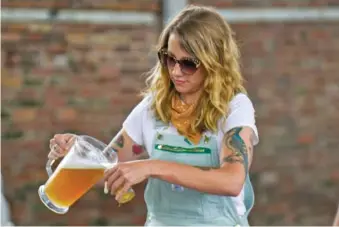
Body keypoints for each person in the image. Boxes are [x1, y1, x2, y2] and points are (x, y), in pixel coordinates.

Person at [48, 5, 259, 226]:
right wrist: (78, 154)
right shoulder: (152, 107)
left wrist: (152, 166)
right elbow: (110, 169)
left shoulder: (234, 107)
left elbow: (232, 181)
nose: (176, 71)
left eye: (189, 64)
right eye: (169, 59)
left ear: (215, 63)